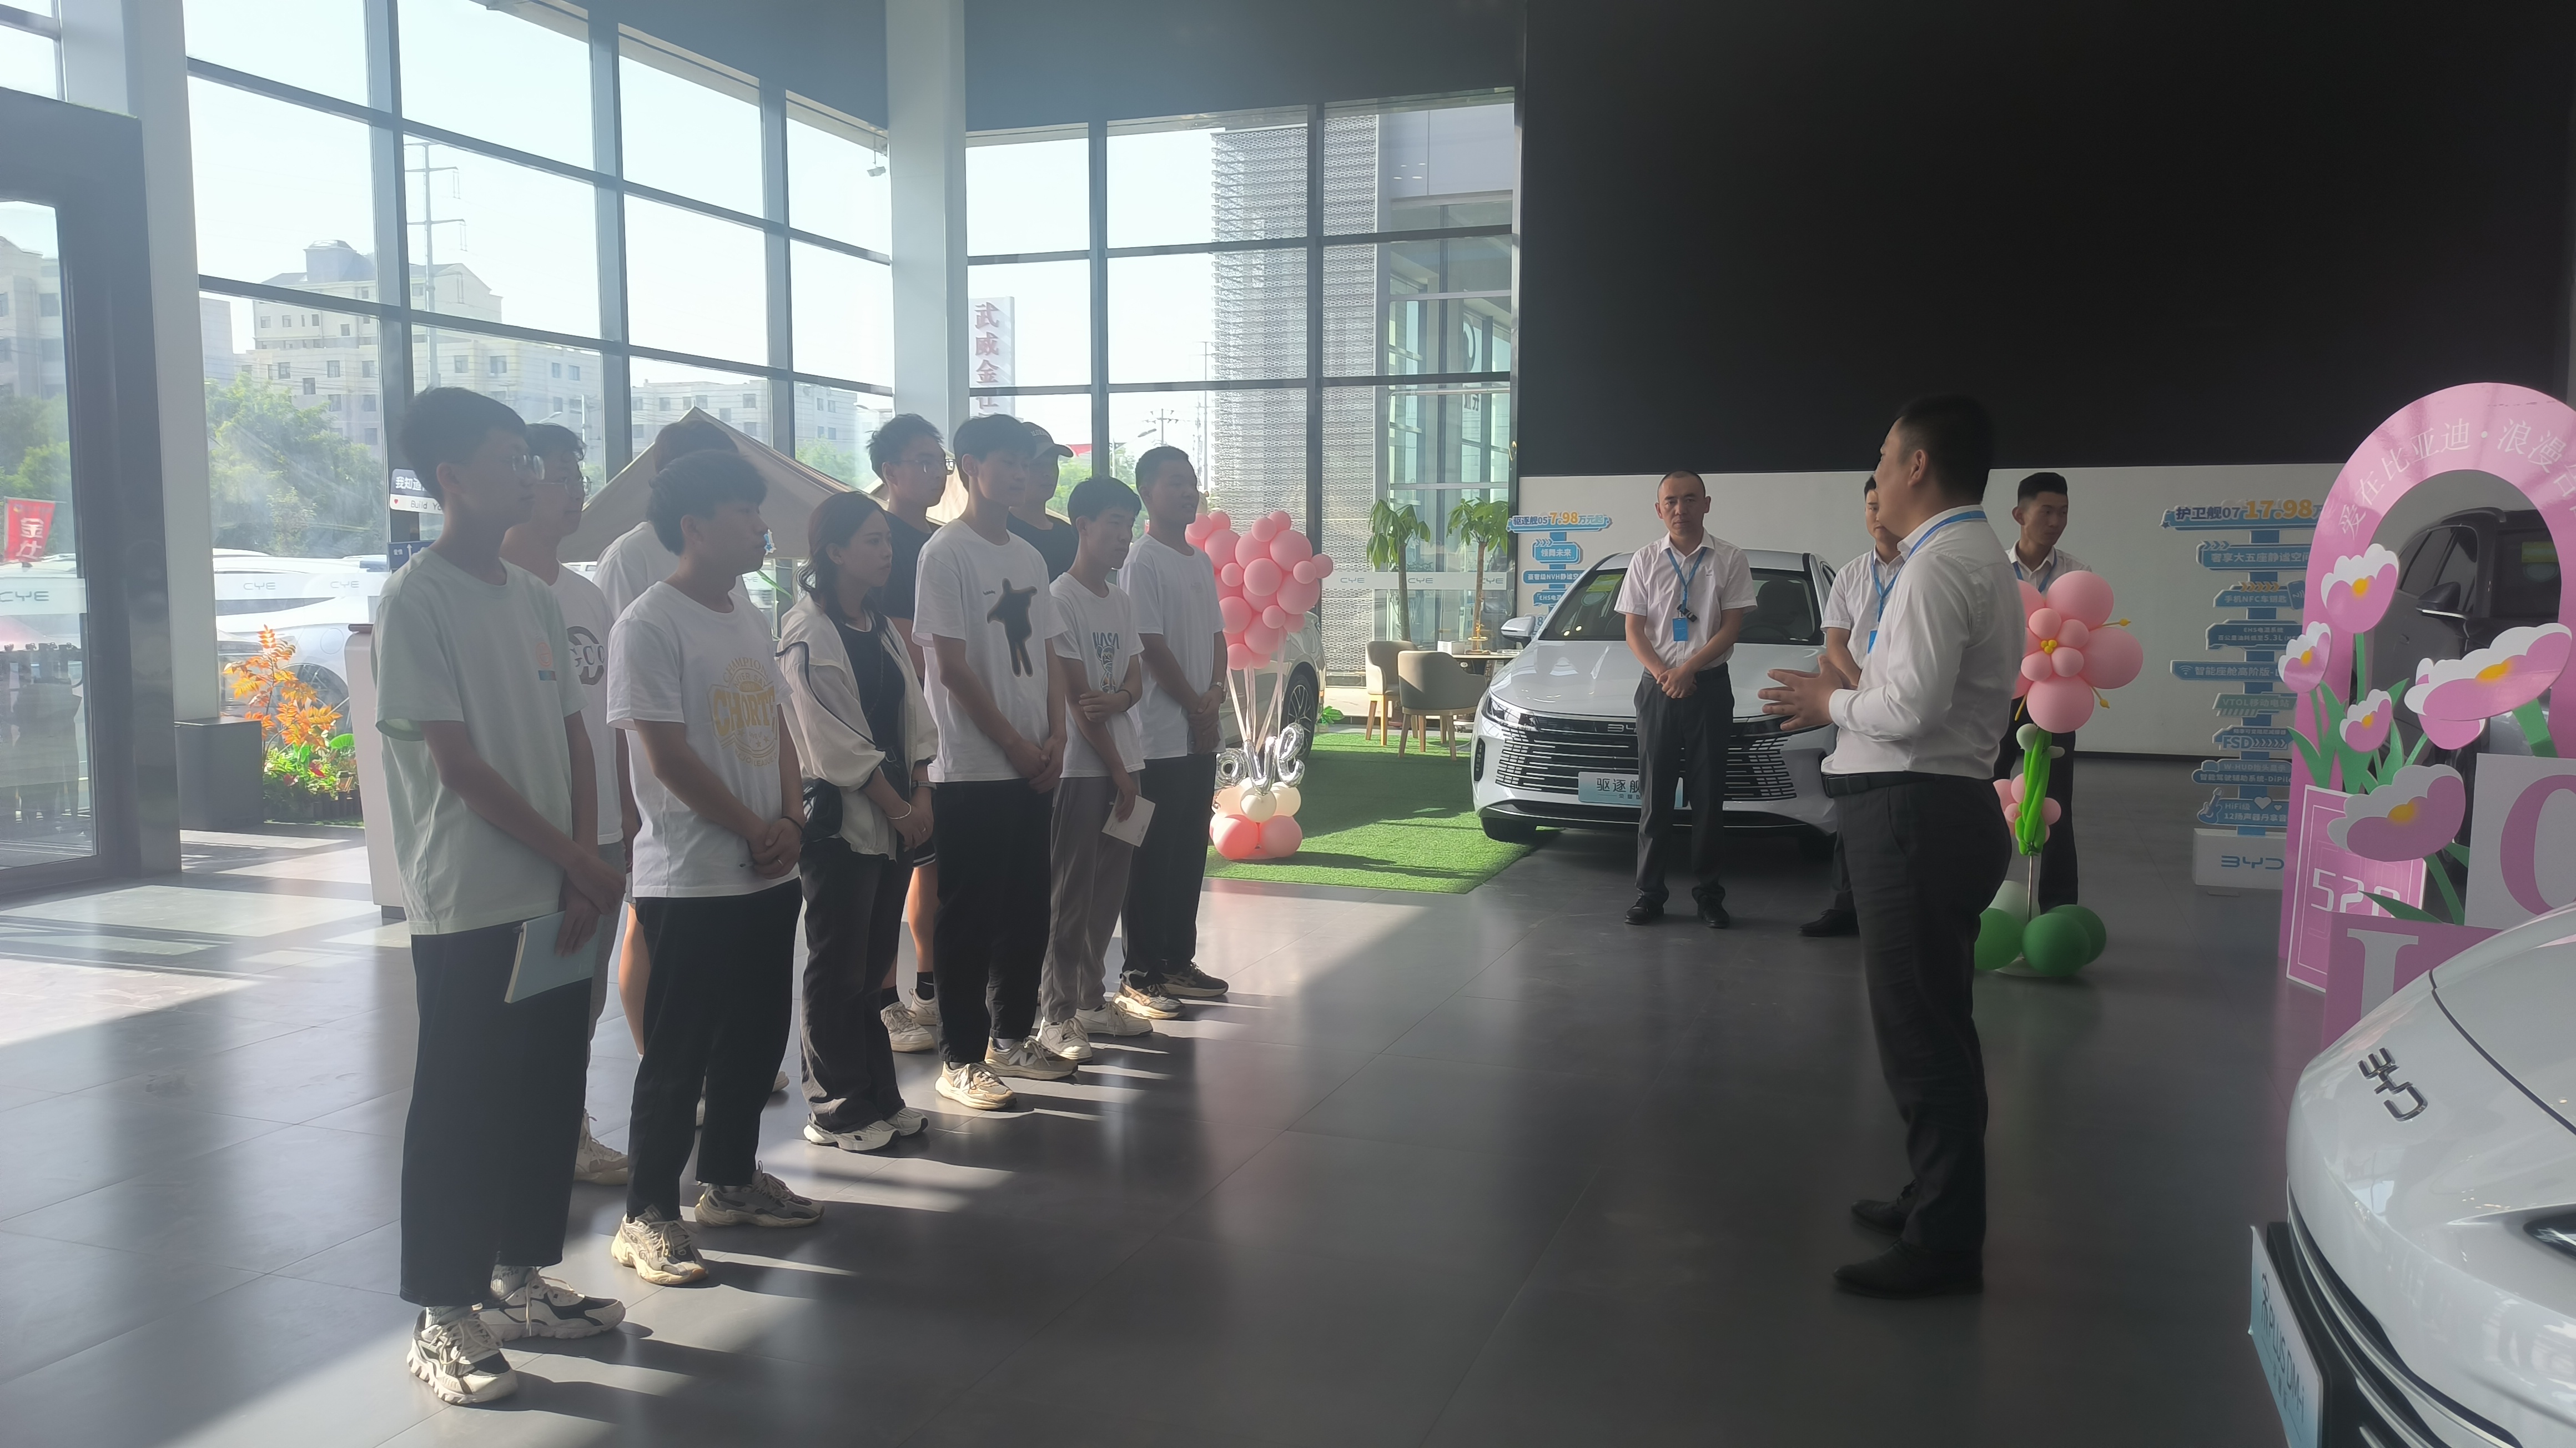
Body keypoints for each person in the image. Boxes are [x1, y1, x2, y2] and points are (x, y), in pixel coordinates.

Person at [375, 388, 626, 1406]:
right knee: (463, 1106)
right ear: (451, 477)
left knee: (546, 1091)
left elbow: (575, 738)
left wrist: (581, 861)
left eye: (533, 458)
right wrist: (575, 858)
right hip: (472, 898)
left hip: (557, 888)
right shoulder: (417, 599)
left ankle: (520, 1278)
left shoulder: (533, 596)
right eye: (510, 458)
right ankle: (443, 1310)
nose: (531, 475)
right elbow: (460, 767)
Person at [1758, 395, 2020, 1299]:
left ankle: (1945, 1240)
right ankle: (1933, 1198)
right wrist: (1844, 695)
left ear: (1917, 464)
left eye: (1882, 456)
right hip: (1937, 810)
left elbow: (1906, 708)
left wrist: (1823, 702)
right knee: (1938, 1019)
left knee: (1920, 1035)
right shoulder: (1968, 554)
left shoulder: (1940, 564)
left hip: (1914, 815)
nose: (1875, 473)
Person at [606, 449, 821, 1288]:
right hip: (691, 874)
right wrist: (753, 826)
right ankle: (647, 1214)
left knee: (757, 1037)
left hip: (766, 866)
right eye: (745, 512)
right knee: (678, 1053)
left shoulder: (744, 613)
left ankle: (729, 1182)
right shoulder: (648, 622)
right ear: (694, 526)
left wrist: (792, 819)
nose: (762, 527)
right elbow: (664, 756)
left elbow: (775, 726)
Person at [914, 412, 1073, 1110]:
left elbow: (1049, 652)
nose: (1018, 473)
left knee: (1027, 907)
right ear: (971, 467)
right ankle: (959, 1057)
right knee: (969, 916)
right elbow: (949, 666)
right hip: (973, 765)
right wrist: (1012, 741)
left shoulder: (1030, 556)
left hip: (1035, 759)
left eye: (1025, 462)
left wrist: (1057, 735)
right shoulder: (945, 553)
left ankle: (1011, 1036)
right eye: (1005, 461)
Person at [777, 490, 938, 1152]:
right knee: (837, 964)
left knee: (873, 965)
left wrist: (920, 791)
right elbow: (829, 741)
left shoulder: (877, 624)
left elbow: (915, 713)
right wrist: (899, 806)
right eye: (873, 540)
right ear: (835, 551)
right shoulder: (806, 631)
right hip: (843, 823)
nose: (886, 550)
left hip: (897, 813)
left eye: (887, 540)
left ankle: (877, 1093)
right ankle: (834, 1104)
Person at [592, 415, 751, 1059]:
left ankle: (716, 1053)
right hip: (659, 776)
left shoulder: (731, 560)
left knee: (717, 942)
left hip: (726, 762)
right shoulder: (630, 557)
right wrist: (625, 805)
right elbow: (622, 690)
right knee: (647, 917)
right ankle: (654, 1048)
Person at [499, 423, 631, 1184]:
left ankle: (567, 1129)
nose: (574, 493)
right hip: (528, 840)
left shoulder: (586, 595)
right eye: (560, 478)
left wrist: (628, 815)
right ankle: (526, 1139)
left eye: (579, 479)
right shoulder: (492, 594)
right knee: (523, 1004)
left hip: (602, 828)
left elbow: (611, 718)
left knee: (580, 999)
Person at [1035, 475, 1154, 1063]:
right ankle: (1054, 1014)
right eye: (1114, 524)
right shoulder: (1060, 598)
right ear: (1082, 526)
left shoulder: (1120, 599)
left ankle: (1089, 999)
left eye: (1129, 526)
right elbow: (1081, 702)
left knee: (1109, 890)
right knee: (1071, 893)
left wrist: (1124, 701)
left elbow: (1134, 676)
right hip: (1085, 770)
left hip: (1127, 760)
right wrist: (1118, 770)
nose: (1124, 536)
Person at [1614, 470, 1756, 928]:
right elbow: (1634, 630)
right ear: (1659, 510)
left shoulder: (1730, 558)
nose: (1681, 509)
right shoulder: (1644, 560)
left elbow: (1731, 627)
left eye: (1691, 499)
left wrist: (1688, 670)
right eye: (1672, 501)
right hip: (1657, 688)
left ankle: (1709, 895)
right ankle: (1649, 894)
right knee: (1655, 795)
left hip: (1708, 687)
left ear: (1707, 504)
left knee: (1708, 796)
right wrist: (1666, 675)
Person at [1119, 445, 1231, 1013]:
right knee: (1150, 857)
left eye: (1191, 482)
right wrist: (1194, 705)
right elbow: (1148, 644)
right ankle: (1140, 973)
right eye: (1174, 482)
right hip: (1157, 739)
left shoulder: (1198, 560)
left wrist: (1213, 696)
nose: (1188, 492)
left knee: (1188, 852)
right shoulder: (1141, 560)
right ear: (1146, 492)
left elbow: (1217, 636)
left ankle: (1176, 961)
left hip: (1197, 732)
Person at [866, 414, 950, 1052]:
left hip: (946, 721)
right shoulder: (882, 539)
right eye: (920, 461)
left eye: (937, 460)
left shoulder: (945, 542)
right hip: (895, 721)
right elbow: (898, 634)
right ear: (889, 472)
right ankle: (881, 999)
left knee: (935, 863)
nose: (934, 472)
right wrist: (953, 662)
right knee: (890, 868)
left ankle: (930, 984)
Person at [1802, 474, 1903, 938]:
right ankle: (1846, 905)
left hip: (1906, 701)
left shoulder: (1923, 571)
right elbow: (1836, 643)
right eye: (1870, 506)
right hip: (1856, 705)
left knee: (1900, 807)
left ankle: (1895, 907)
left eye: (1884, 505)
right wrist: (1862, 688)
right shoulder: (1850, 574)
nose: (1877, 515)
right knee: (1853, 809)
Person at [1996, 471, 2087, 910]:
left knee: (2054, 800)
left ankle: (2058, 907)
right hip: (1997, 694)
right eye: (2047, 511)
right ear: (2019, 515)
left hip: (2056, 698)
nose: (2056, 522)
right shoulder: (1993, 571)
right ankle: (1980, 894)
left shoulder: (2077, 574)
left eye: (2063, 513)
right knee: (1989, 791)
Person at [1006, 422, 1081, 579]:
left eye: (1052, 464)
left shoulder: (1069, 535)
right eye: (1038, 465)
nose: (1048, 473)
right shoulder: (1001, 532)